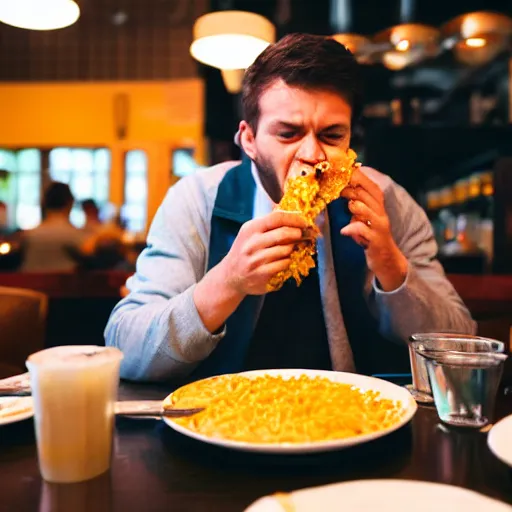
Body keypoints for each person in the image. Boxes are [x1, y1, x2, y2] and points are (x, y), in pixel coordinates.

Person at [105, 33, 475, 382]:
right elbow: (125, 348)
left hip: (355, 424)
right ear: (248, 139)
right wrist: (227, 281)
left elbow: (461, 345)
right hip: (221, 426)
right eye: (288, 134)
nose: (312, 155)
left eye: (332, 136)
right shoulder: (197, 199)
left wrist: (392, 266)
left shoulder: (388, 201)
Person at [20, 182, 86, 272]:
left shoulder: (29, 236)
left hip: (28, 284)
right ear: (70, 203)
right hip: (65, 284)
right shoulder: (78, 237)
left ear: (44, 202)